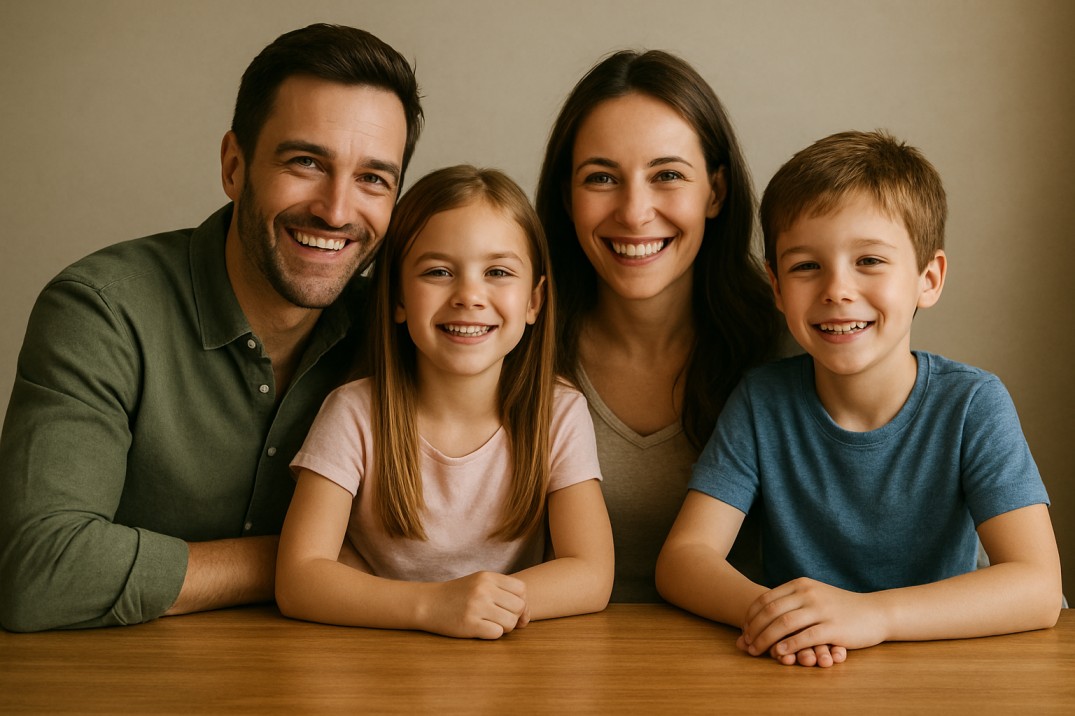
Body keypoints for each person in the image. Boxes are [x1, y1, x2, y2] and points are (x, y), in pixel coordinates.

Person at [0, 24, 423, 632]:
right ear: (233, 166)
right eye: (306, 162)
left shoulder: (402, 329)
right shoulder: (101, 312)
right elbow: (39, 572)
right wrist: (299, 564)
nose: (336, 210)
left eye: (373, 179)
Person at [656, 130, 1063, 667]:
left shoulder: (972, 404)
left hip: (947, 670)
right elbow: (683, 559)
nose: (837, 290)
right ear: (776, 288)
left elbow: (1038, 588)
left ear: (928, 279)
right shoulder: (762, 402)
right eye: (806, 266)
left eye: (869, 260)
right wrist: (784, 617)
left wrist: (875, 616)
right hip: (803, 669)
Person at [275, 165, 613, 639]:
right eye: (438, 272)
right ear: (398, 297)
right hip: (375, 654)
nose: (469, 296)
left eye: (498, 272)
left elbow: (591, 574)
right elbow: (298, 578)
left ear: (534, 301)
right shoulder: (353, 413)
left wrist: (482, 608)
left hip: (509, 660)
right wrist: (434, 607)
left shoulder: (558, 412)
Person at [534, 50, 782, 602]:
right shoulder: (510, 345)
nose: (634, 211)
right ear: (566, 197)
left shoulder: (791, 347)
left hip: (746, 647)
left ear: (716, 191)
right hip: (544, 648)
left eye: (667, 175)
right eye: (601, 178)